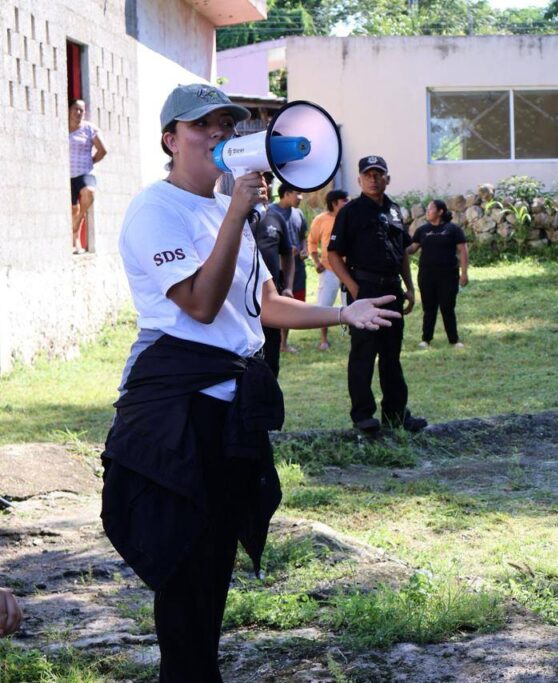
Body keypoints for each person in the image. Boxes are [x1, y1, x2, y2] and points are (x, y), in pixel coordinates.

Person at [101, 83, 399, 682]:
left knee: (213, 562)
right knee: (185, 568)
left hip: (229, 411)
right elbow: (200, 304)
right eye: (201, 125)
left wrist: (343, 313)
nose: (218, 133)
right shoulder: (156, 210)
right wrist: (238, 213)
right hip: (179, 411)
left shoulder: (223, 211)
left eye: (226, 123)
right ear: (170, 139)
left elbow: (265, 305)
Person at [327, 155, 428, 434]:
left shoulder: (394, 210)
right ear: (359, 180)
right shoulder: (350, 211)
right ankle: (362, 415)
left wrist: (409, 287)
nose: (373, 179)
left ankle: (395, 414)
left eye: (378, 174)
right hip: (365, 288)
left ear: (387, 178)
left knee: (391, 354)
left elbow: (403, 252)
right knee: (363, 352)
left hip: (392, 289)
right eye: (368, 174)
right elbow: (333, 254)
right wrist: (354, 288)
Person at [408, 199, 469, 349]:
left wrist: (464, 273)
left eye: (430, 209)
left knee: (447, 308)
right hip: (426, 276)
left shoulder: (452, 229)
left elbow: (463, 250)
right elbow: (412, 249)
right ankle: (426, 339)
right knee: (429, 308)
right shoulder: (422, 230)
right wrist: (396, 247)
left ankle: (454, 340)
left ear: (440, 211)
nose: (427, 212)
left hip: (448, 275)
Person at [253, 181, 295, 377]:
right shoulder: (229, 215)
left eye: (267, 180)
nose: (263, 185)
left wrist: (288, 286)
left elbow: (287, 254)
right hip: (239, 303)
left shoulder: (276, 217)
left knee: (271, 360)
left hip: (271, 300)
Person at [266, 184, 308, 354]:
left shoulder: (299, 214)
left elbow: (303, 236)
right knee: (275, 305)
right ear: (287, 193)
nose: (300, 198)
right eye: (298, 193)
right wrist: (282, 252)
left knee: (291, 303)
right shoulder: (269, 212)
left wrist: (304, 249)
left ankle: (284, 343)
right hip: (276, 269)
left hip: (297, 267)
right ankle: (272, 342)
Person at [309, 190, 349, 350]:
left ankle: (352, 335)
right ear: (334, 203)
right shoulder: (321, 220)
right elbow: (312, 241)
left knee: (350, 303)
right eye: (344, 200)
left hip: (349, 270)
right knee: (324, 305)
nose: (347, 203)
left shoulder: (350, 218)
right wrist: (316, 262)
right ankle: (323, 339)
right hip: (329, 270)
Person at [69, 98, 107, 254]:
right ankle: (76, 243)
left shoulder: (89, 128)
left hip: (85, 171)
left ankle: (78, 220)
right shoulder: (62, 127)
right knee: (73, 209)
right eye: (76, 109)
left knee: (89, 192)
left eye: (82, 110)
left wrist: (91, 161)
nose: (78, 112)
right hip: (67, 175)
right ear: (69, 110)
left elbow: (103, 150)